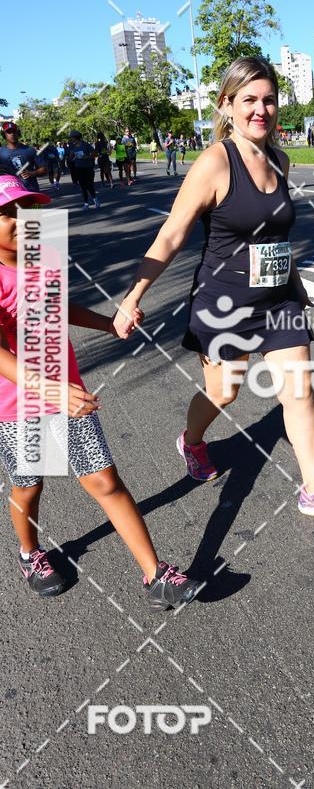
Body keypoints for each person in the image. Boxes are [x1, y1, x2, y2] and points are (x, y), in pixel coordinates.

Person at [114, 56, 314, 524]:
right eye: (249, 100)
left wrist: (294, 285)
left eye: (269, 100)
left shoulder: (280, 159)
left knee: (300, 393)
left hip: (279, 302)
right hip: (224, 304)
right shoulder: (214, 162)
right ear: (227, 105)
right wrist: (134, 295)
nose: (260, 110)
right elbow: (172, 234)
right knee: (224, 393)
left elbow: (275, 236)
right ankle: (191, 441)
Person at [0, 172, 201, 608]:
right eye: (7, 213)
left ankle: (155, 576)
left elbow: (57, 306)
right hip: (17, 401)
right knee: (30, 486)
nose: (21, 219)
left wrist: (108, 324)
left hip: (66, 389)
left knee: (104, 479)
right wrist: (49, 391)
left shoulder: (43, 253)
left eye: (26, 208)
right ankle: (29, 553)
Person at [0, 123, 46, 190]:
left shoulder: (30, 150)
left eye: (14, 131)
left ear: (18, 133)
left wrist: (32, 173)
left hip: (31, 191)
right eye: (9, 132)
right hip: (10, 192)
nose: (12, 134)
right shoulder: (1, 152)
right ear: (4, 135)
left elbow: (44, 169)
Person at [66, 130, 99, 209]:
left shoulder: (85, 145)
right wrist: (71, 155)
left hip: (88, 167)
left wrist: (87, 157)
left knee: (89, 185)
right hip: (78, 168)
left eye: (72, 137)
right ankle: (86, 204)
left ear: (76, 137)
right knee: (83, 186)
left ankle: (95, 200)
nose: (71, 139)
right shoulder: (72, 146)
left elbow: (95, 153)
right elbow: (70, 159)